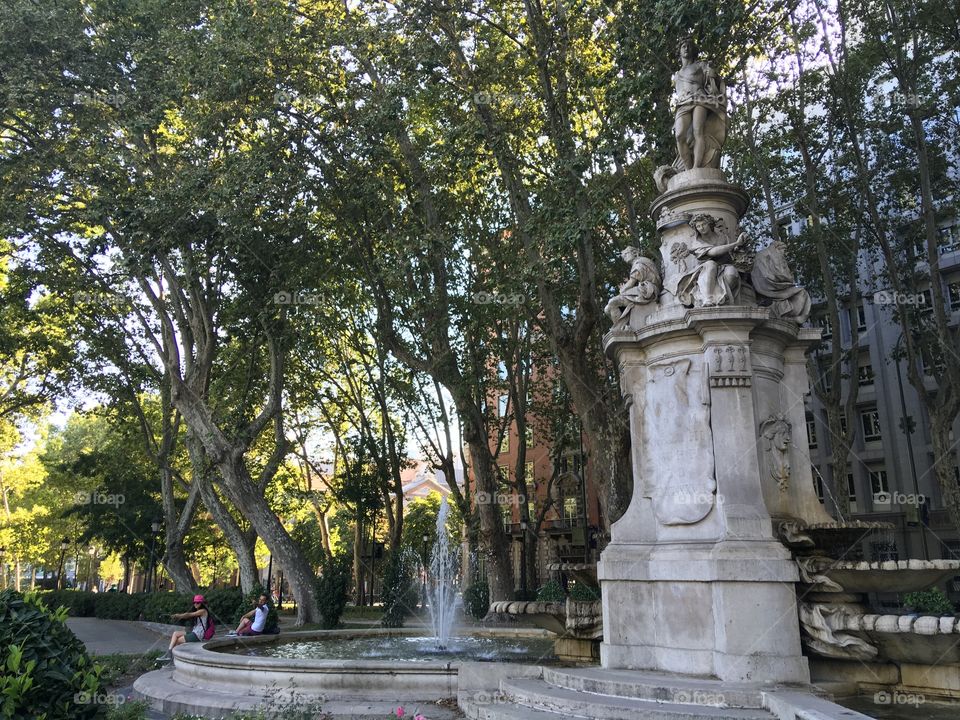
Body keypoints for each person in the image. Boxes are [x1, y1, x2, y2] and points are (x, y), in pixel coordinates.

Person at [672, 37, 727, 170]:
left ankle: (696, 167)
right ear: (679, 51)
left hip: (700, 99)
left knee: (698, 131)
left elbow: (714, 82)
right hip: (683, 103)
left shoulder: (701, 65)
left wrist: (713, 75)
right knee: (679, 135)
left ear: (693, 50)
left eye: (689, 46)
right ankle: (688, 168)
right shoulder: (677, 74)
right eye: (683, 46)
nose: (686, 48)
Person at [160, 594, 210, 664]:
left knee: (178, 641)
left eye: (198, 602)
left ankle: (172, 660)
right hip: (194, 632)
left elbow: (189, 614)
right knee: (175, 633)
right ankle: (168, 654)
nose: (195, 604)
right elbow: (189, 616)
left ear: (202, 603)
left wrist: (178, 615)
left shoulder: (203, 611)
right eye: (194, 602)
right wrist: (177, 616)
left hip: (198, 635)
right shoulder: (198, 610)